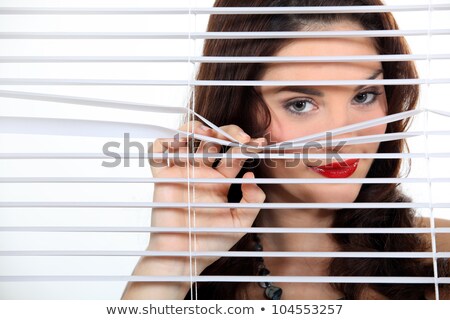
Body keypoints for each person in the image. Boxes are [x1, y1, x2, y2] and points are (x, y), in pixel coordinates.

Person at [122, 0, 450, 300]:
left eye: (364, 95)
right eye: (300, 104)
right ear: (240, 111)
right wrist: (172, 260)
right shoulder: (191, 279)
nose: (342, 138)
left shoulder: (439, 260)